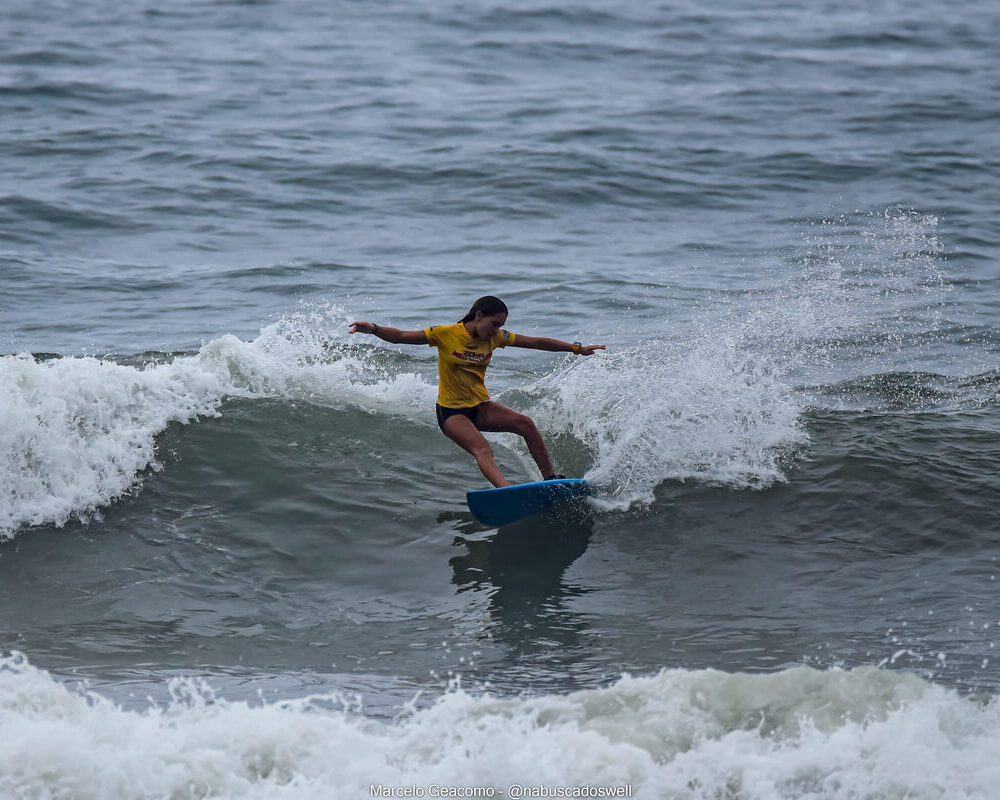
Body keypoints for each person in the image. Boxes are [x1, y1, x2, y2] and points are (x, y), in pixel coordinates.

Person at [349, 296, 605, 487]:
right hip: (451, 413)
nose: (497, 330)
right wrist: (373, 328)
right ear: (478, 315)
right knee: (483, 450)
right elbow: (401, 336)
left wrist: (576, 349)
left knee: (526, 424)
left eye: (500, 325)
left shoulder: (496, 338)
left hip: (480, 406)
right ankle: (507, 493)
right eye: (494, 324)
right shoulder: (445, 334)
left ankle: (551, 479)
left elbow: (536, 342)